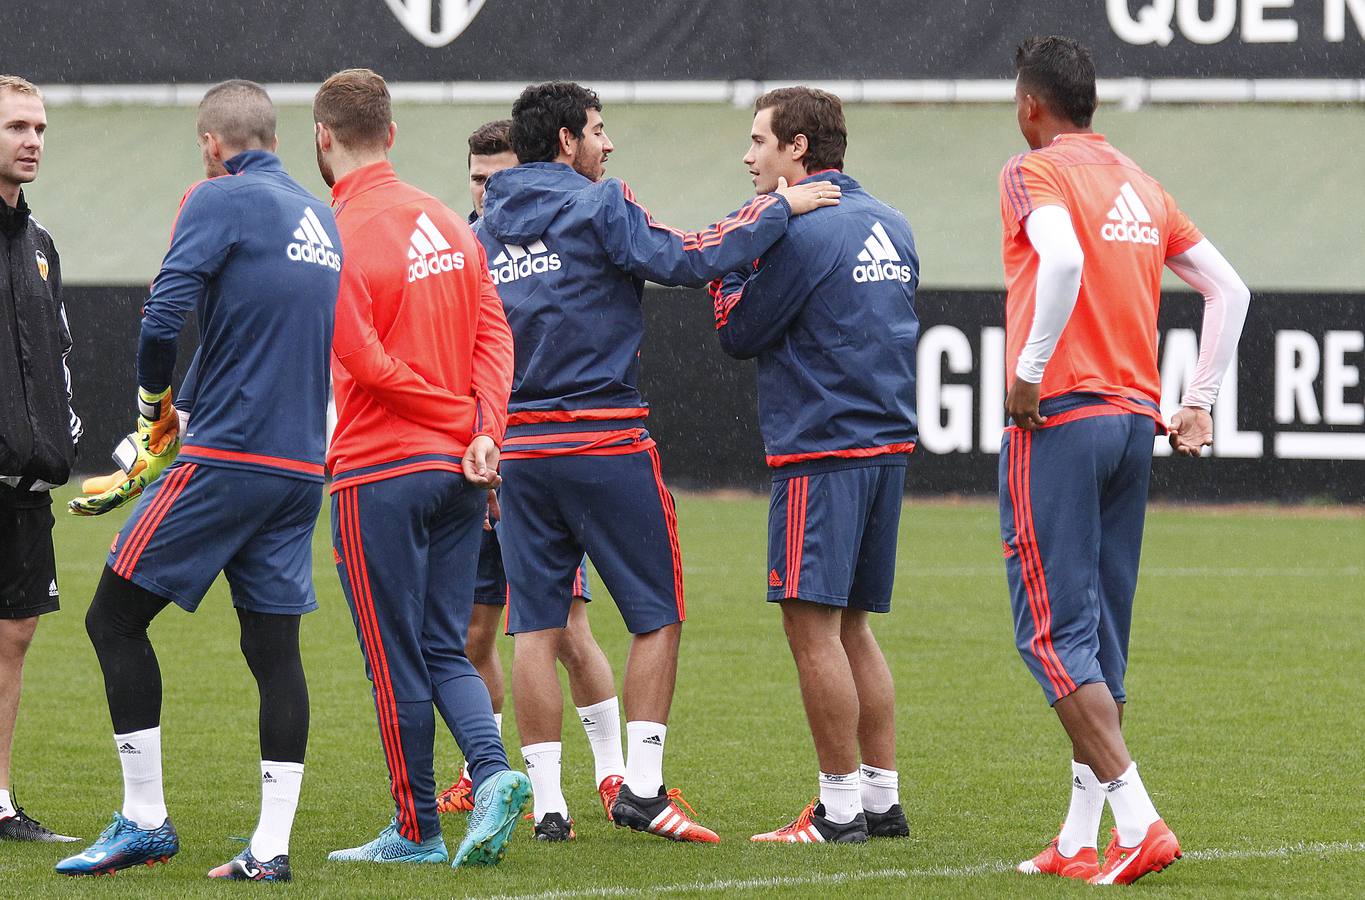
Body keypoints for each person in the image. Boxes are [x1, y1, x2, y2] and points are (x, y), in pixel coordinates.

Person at [477, 80, 838, 843]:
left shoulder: (484, 229)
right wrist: (778, 210)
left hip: (520, 452)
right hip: (605, 442)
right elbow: (685, 258)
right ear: (567, 142)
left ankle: (548, 807)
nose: (608, 144)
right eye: (599, 131)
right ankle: (641, 788)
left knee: (534, 630)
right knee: (656, 616)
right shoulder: (597, 205)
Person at [56, 80, 341, 882]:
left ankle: (145, 820)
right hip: (298, 467)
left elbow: (161, 313)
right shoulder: (322, 218)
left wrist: (153, 409)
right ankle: (270, 849)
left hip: (227, 459)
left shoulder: (218, 198)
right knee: (273, 648)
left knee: (112, 619)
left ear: (212, 144)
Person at [998, 36, 1250, 885]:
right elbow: (1229, 289)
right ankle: (1078, 836)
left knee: (1049, 632)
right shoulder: (1141, 184)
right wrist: (1199, 401)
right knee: (1099, 633)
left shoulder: (1031, 171)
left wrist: (1028, 374)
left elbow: (1061, 259)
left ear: (1031, 105)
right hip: (1132, 423)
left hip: (1061, 419)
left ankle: (1137, 819)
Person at [313, 69, 530, 869]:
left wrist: (452, 419)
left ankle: (415, 830)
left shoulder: (333, 229)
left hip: (380, 470)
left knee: (391, 655)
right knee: (444, 646)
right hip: (461, 470)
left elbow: (361, 362)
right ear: (393, 135)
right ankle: (494, 772)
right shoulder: (449, 218)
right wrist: (484, 430)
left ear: (323, 139)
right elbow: (494, 335)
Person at [712, 87, 919, 845]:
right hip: (885, 450)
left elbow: (738, 331)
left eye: (759, 140)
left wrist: (726, 264)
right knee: (854, 628)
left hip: (820, 451)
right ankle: (881, 800)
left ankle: (836, 811)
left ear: (798, 149)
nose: (747, 155)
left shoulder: (803, 233)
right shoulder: (891, 224)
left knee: (812, 633)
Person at [436, 119, 625, 837]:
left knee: (563, 629)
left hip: (532, 468)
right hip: (472, 470)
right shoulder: (461, 246)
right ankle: (483, 774)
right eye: (476, 180)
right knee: (471, 637)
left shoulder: (545, 243)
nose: (485, 192)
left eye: (496, 177)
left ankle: (609, 774)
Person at [0, 74, 80, 845]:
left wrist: (64, 439)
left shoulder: (41, 244)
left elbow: (56, 355)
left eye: (40, 128)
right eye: (17, 127)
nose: (32, 141)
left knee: (14, 634)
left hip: (24, 482)